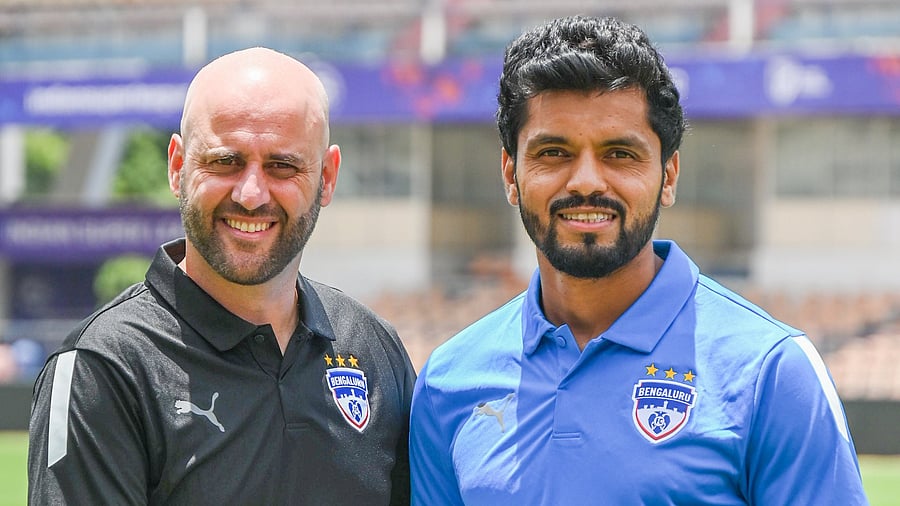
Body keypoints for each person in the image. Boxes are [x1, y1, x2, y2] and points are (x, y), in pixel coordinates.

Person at [409, 15, 867, 505]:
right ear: (510, 173)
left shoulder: (771, 372)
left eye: (620, 154)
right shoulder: (448, 382)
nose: (586, 181)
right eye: (554, 152)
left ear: (668, 175)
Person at [28, 47, 416, 505]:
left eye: (282, 166)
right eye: (225, 161)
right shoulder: (104, 368)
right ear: (178, 167)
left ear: (327, 177)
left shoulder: (375, 350)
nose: (251, 195)